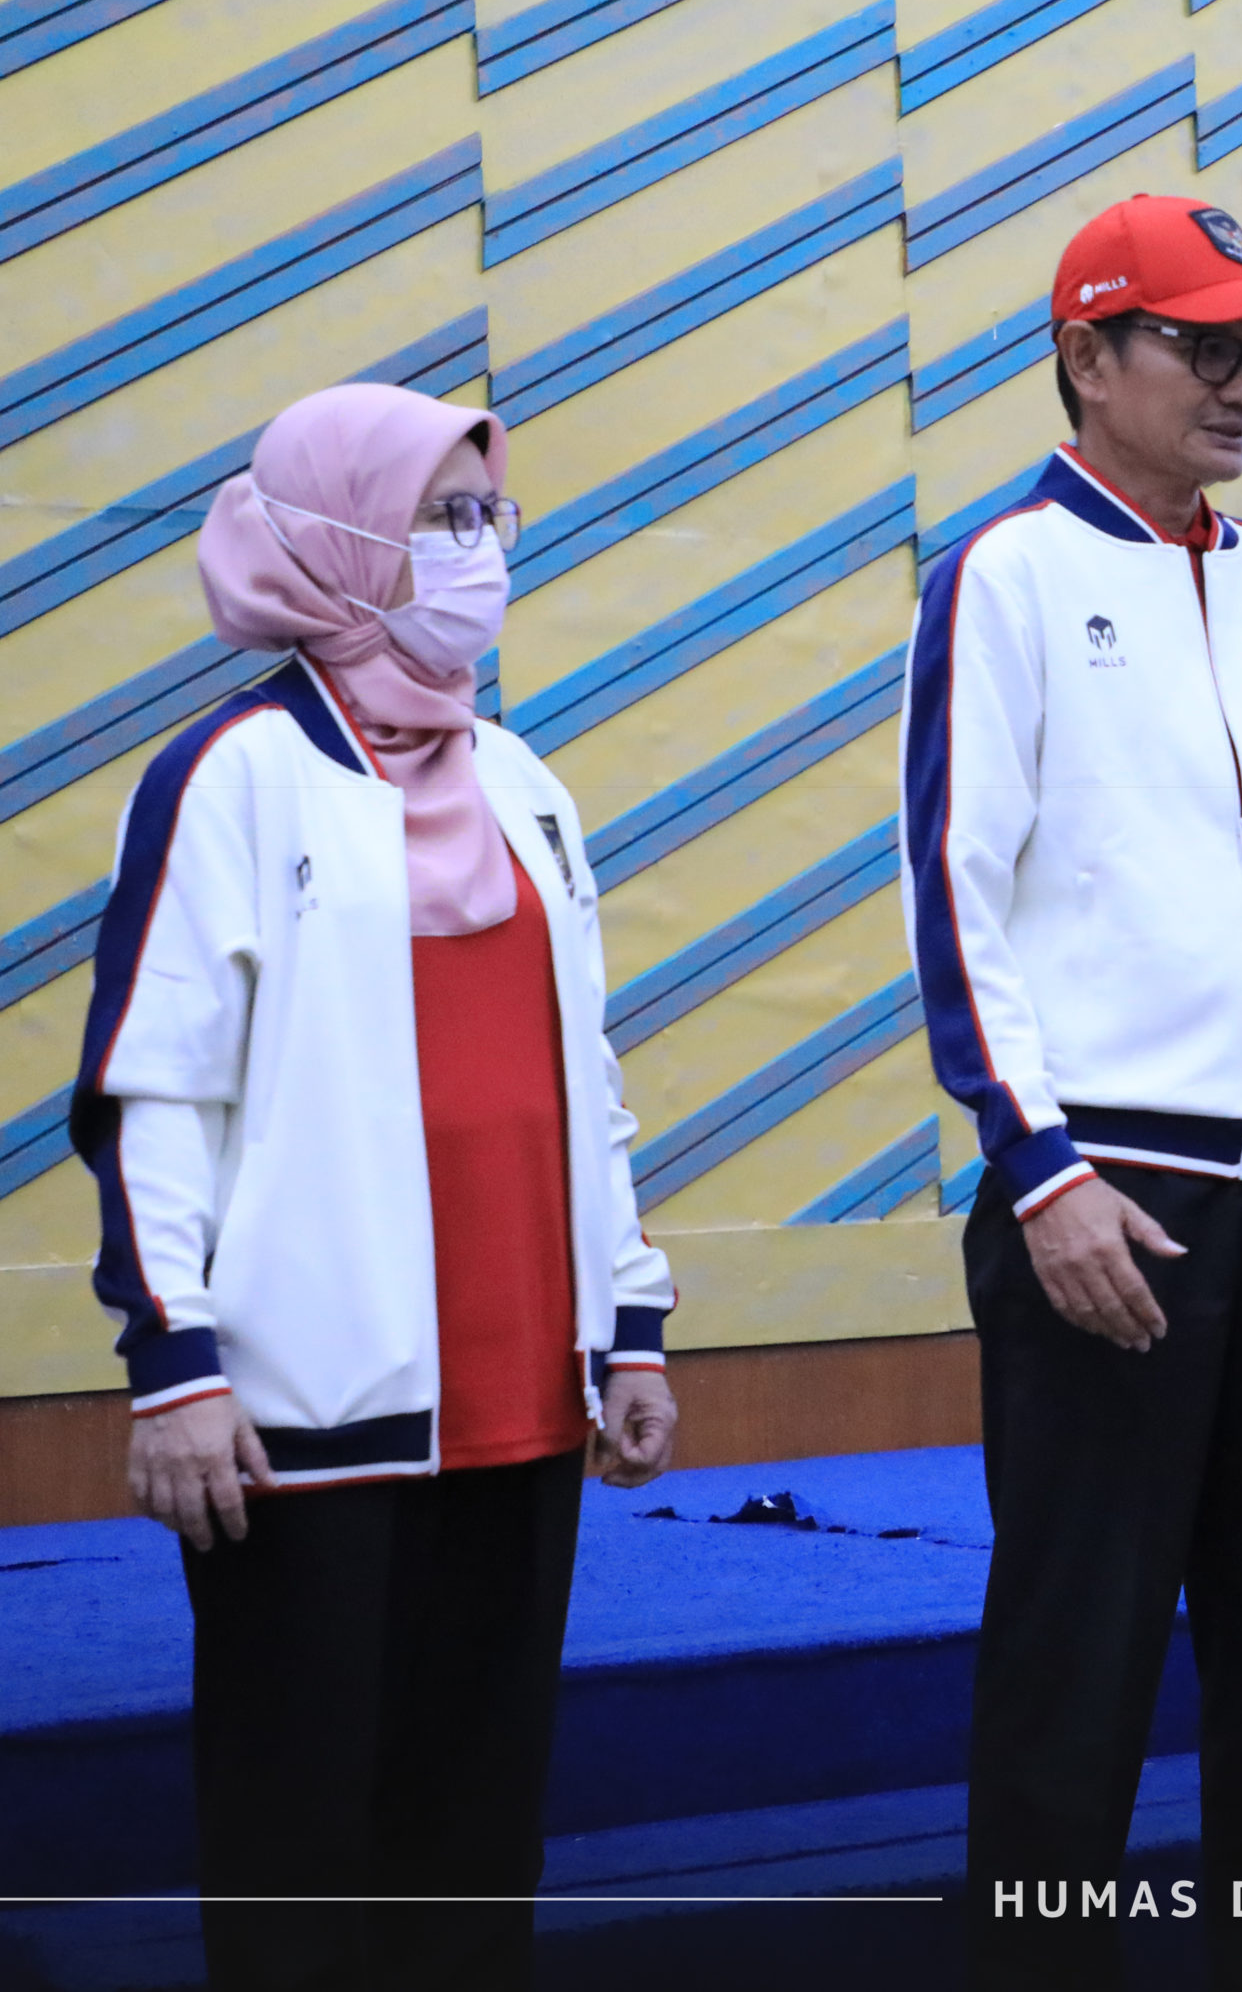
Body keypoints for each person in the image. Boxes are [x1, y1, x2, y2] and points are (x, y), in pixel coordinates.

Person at [71, 384, 679, 1991]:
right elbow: (153, 1091)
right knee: (301, 1856)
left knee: (477, 1853)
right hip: (304, 1414)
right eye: (438, 518)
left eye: (489, 516)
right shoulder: (229, 776)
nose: (480, 552)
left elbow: (586, 1079)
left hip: (525, 1400)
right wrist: (175, 1364)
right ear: (334, 538)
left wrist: (629, 1326)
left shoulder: (525, 781)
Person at [899, 194, 1242, 1991]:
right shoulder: (1005, 575)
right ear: (1085, 353)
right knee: (1080, 1667)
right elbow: (958, 889)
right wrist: (1038, 1168)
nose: (1241, 380)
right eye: (1200, 345)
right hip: (1112, 1192)